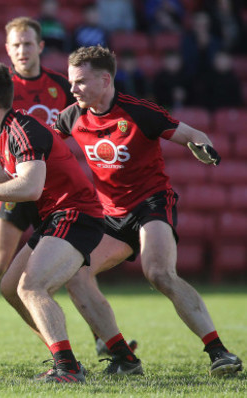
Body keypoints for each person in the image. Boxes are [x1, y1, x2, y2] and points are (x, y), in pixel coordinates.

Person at [53, 45, 243, 377]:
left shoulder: (140, 112)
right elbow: (42, 146)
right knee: (75, 273)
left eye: (80, 82)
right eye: (71, 82)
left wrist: (202, 147)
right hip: (110, 215)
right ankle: (124, 358)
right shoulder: (72, 117)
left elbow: (192, 135)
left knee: (158, 272)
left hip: (151, 204)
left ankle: (219, 352)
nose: (73, 89)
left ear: (105, 79)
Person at [0, 62, 109, 383]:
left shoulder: (21, 131)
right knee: (10, 287)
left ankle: (68, 367)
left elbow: (29, 187)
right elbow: (7, 174)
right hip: (59, 215)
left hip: (74, 212)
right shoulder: (6, 131)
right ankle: (83, 358)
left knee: (31, 287)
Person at [0, 16, 75, 359]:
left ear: (40, 46)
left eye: (28, 43)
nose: (22, 50)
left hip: (51, 186)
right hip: (12, 182)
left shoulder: (62, 86)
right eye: (16, 45)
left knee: (79, 269)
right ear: (7, 50)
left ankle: (102, 341)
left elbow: (76, 131)